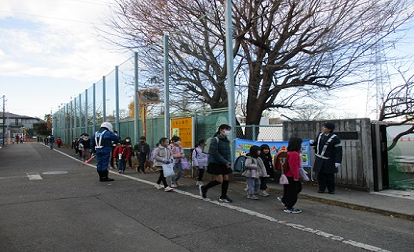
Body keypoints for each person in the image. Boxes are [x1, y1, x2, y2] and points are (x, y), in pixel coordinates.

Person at [199, 124, 233, 203]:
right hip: (216, 162)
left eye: (228, 130)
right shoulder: (215, 139)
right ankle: (204, 188)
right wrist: (225, 162)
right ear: (220, 130)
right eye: (226, 129)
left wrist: (228, 161)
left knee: (226, 178)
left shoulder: (227, 140)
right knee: (219, 180)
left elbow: (228, 153)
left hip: (224, 163)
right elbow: (215, 153)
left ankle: (223, 196)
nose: (227, 131)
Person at [311, 122, 343, 194]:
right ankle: (321, 189)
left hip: (329, 160)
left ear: (330, 129)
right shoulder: (320, 135)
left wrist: (338, 161)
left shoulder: (335, 138)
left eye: (325, 127)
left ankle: (331, 190)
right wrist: (312, 142)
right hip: (319, 158)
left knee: (329, 176)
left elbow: (338, 150)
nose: (323, 128)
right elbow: (317, 143)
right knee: (321, 175)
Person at [280, 137, 303, 213]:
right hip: (291, 176)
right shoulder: (294, 154)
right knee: (293, 191)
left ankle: (285, 200)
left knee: (291, 190)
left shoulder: (291, 153)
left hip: (289, 175)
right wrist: (296, 176)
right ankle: (289, 206)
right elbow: (293, 166)